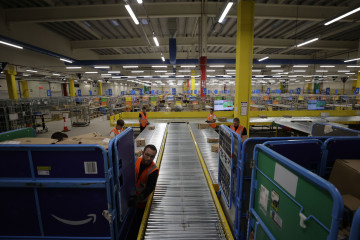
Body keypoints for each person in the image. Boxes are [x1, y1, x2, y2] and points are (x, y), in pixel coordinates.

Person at [128, 144, 158, 239]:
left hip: (141, 204)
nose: (148, 158)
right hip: (128, 199)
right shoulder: (136, 160)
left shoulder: (154, 170)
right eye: (147, 154)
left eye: (152, 156)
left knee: (136, 227)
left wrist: (139, 198)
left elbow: (150, 188)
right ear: (143, 153)